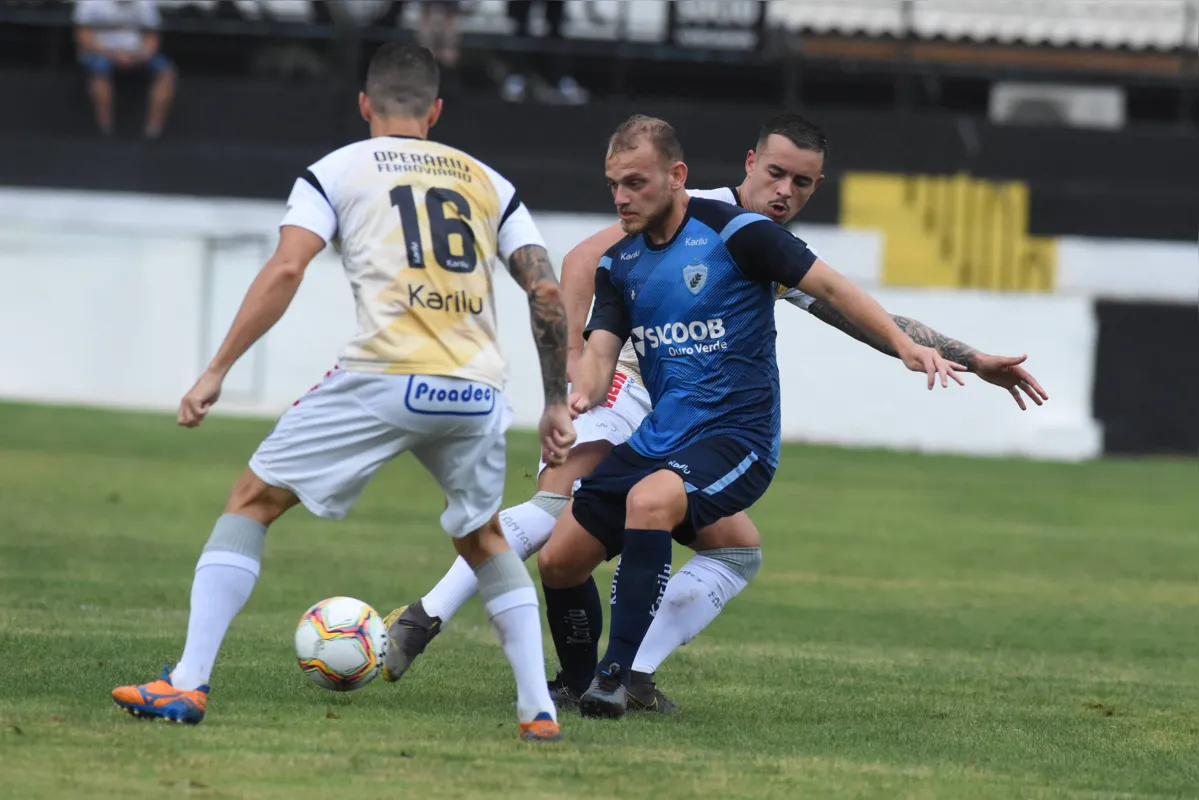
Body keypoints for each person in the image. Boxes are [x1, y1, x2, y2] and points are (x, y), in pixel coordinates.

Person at [380, 113, 1048, 712]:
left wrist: (964, 355)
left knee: (729, 548)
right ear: (748, 163)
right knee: (561, 515)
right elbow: (586, 259)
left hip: (691, 414)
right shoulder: (684, 210)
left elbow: (846, 305)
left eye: (804, 183)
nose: (786, 191)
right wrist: (574, 374)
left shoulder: (756, 238)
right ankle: (430, 616)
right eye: (777, 173)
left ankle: (622, 674)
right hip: (627, 383)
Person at [110, 43, 573, 743]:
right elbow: (544, 289)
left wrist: (216, 370)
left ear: (365, 105)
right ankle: (537, 710)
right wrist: (556, 399)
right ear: (436, 111)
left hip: (384, 375)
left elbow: (287, 270)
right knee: (483, 538)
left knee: (252, 500)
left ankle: (186, 683)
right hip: (476, 389)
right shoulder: (487, 180)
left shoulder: (337, 169)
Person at [73, 0, 176, 139]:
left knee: (167, 72)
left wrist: (141, 55)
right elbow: (83, 37)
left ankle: (153, 130)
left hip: (135, 52)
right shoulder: (89, 3)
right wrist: (114, 54)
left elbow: (152, 38)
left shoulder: (146, 3)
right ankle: (105, 127)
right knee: (99, 70)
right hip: (100, 51)